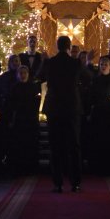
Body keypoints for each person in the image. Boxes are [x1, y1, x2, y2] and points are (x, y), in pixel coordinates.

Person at [36, 36, 83, 192]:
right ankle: (75, 182)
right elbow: (88, 78)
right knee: (74, 146)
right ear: (69, 46)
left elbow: (38, 77)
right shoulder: (76, 63)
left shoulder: (50, 63)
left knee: (55, 146)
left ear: (57, 46)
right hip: (71, 108)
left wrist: (44, 61)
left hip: (54, 108)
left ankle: (58, 183)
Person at [3, 65, 41, 175]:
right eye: (21, 73)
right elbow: (11, 104)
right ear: (18, 75)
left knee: (30, 143)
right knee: (19, 143)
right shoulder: (14, 88)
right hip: (19, 119)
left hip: (30, 119)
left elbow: (36, 102)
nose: (23, 75)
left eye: (25, 73)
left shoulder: (33, 87)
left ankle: (31, 167)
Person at [88, 56, 110, 174]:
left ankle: (109, 167)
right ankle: (97, 166)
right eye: (101, 64)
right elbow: (91, 97)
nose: (103, 66)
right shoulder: (95, 80)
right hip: (98, 113)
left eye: (105, 64)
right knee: (98, 139)